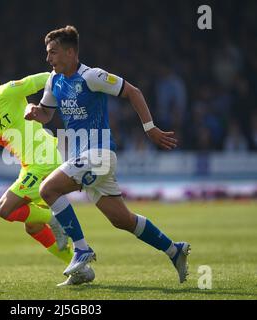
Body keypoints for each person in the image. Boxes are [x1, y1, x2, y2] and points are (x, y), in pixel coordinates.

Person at [24, 26, 191, 283]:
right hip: (82, 157)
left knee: (48, 190)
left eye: (53, 53)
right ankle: (174, 250)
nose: (49, 59)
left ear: (70, 52)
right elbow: (47, 113)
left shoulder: (92, 76)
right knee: (122, 219)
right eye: (48, 53)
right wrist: (36, 112)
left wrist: (150, 128)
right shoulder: (53, 80)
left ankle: (81, 249)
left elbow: (133, 91)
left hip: (99, 153)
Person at [0, 63, 95, 286]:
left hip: (45, 159)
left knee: (4, 209)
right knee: (33, 226)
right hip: (30, 166)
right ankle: (80, 270)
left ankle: (54, 219)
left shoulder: (7, 91)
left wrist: (74, 83)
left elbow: (46, 78)